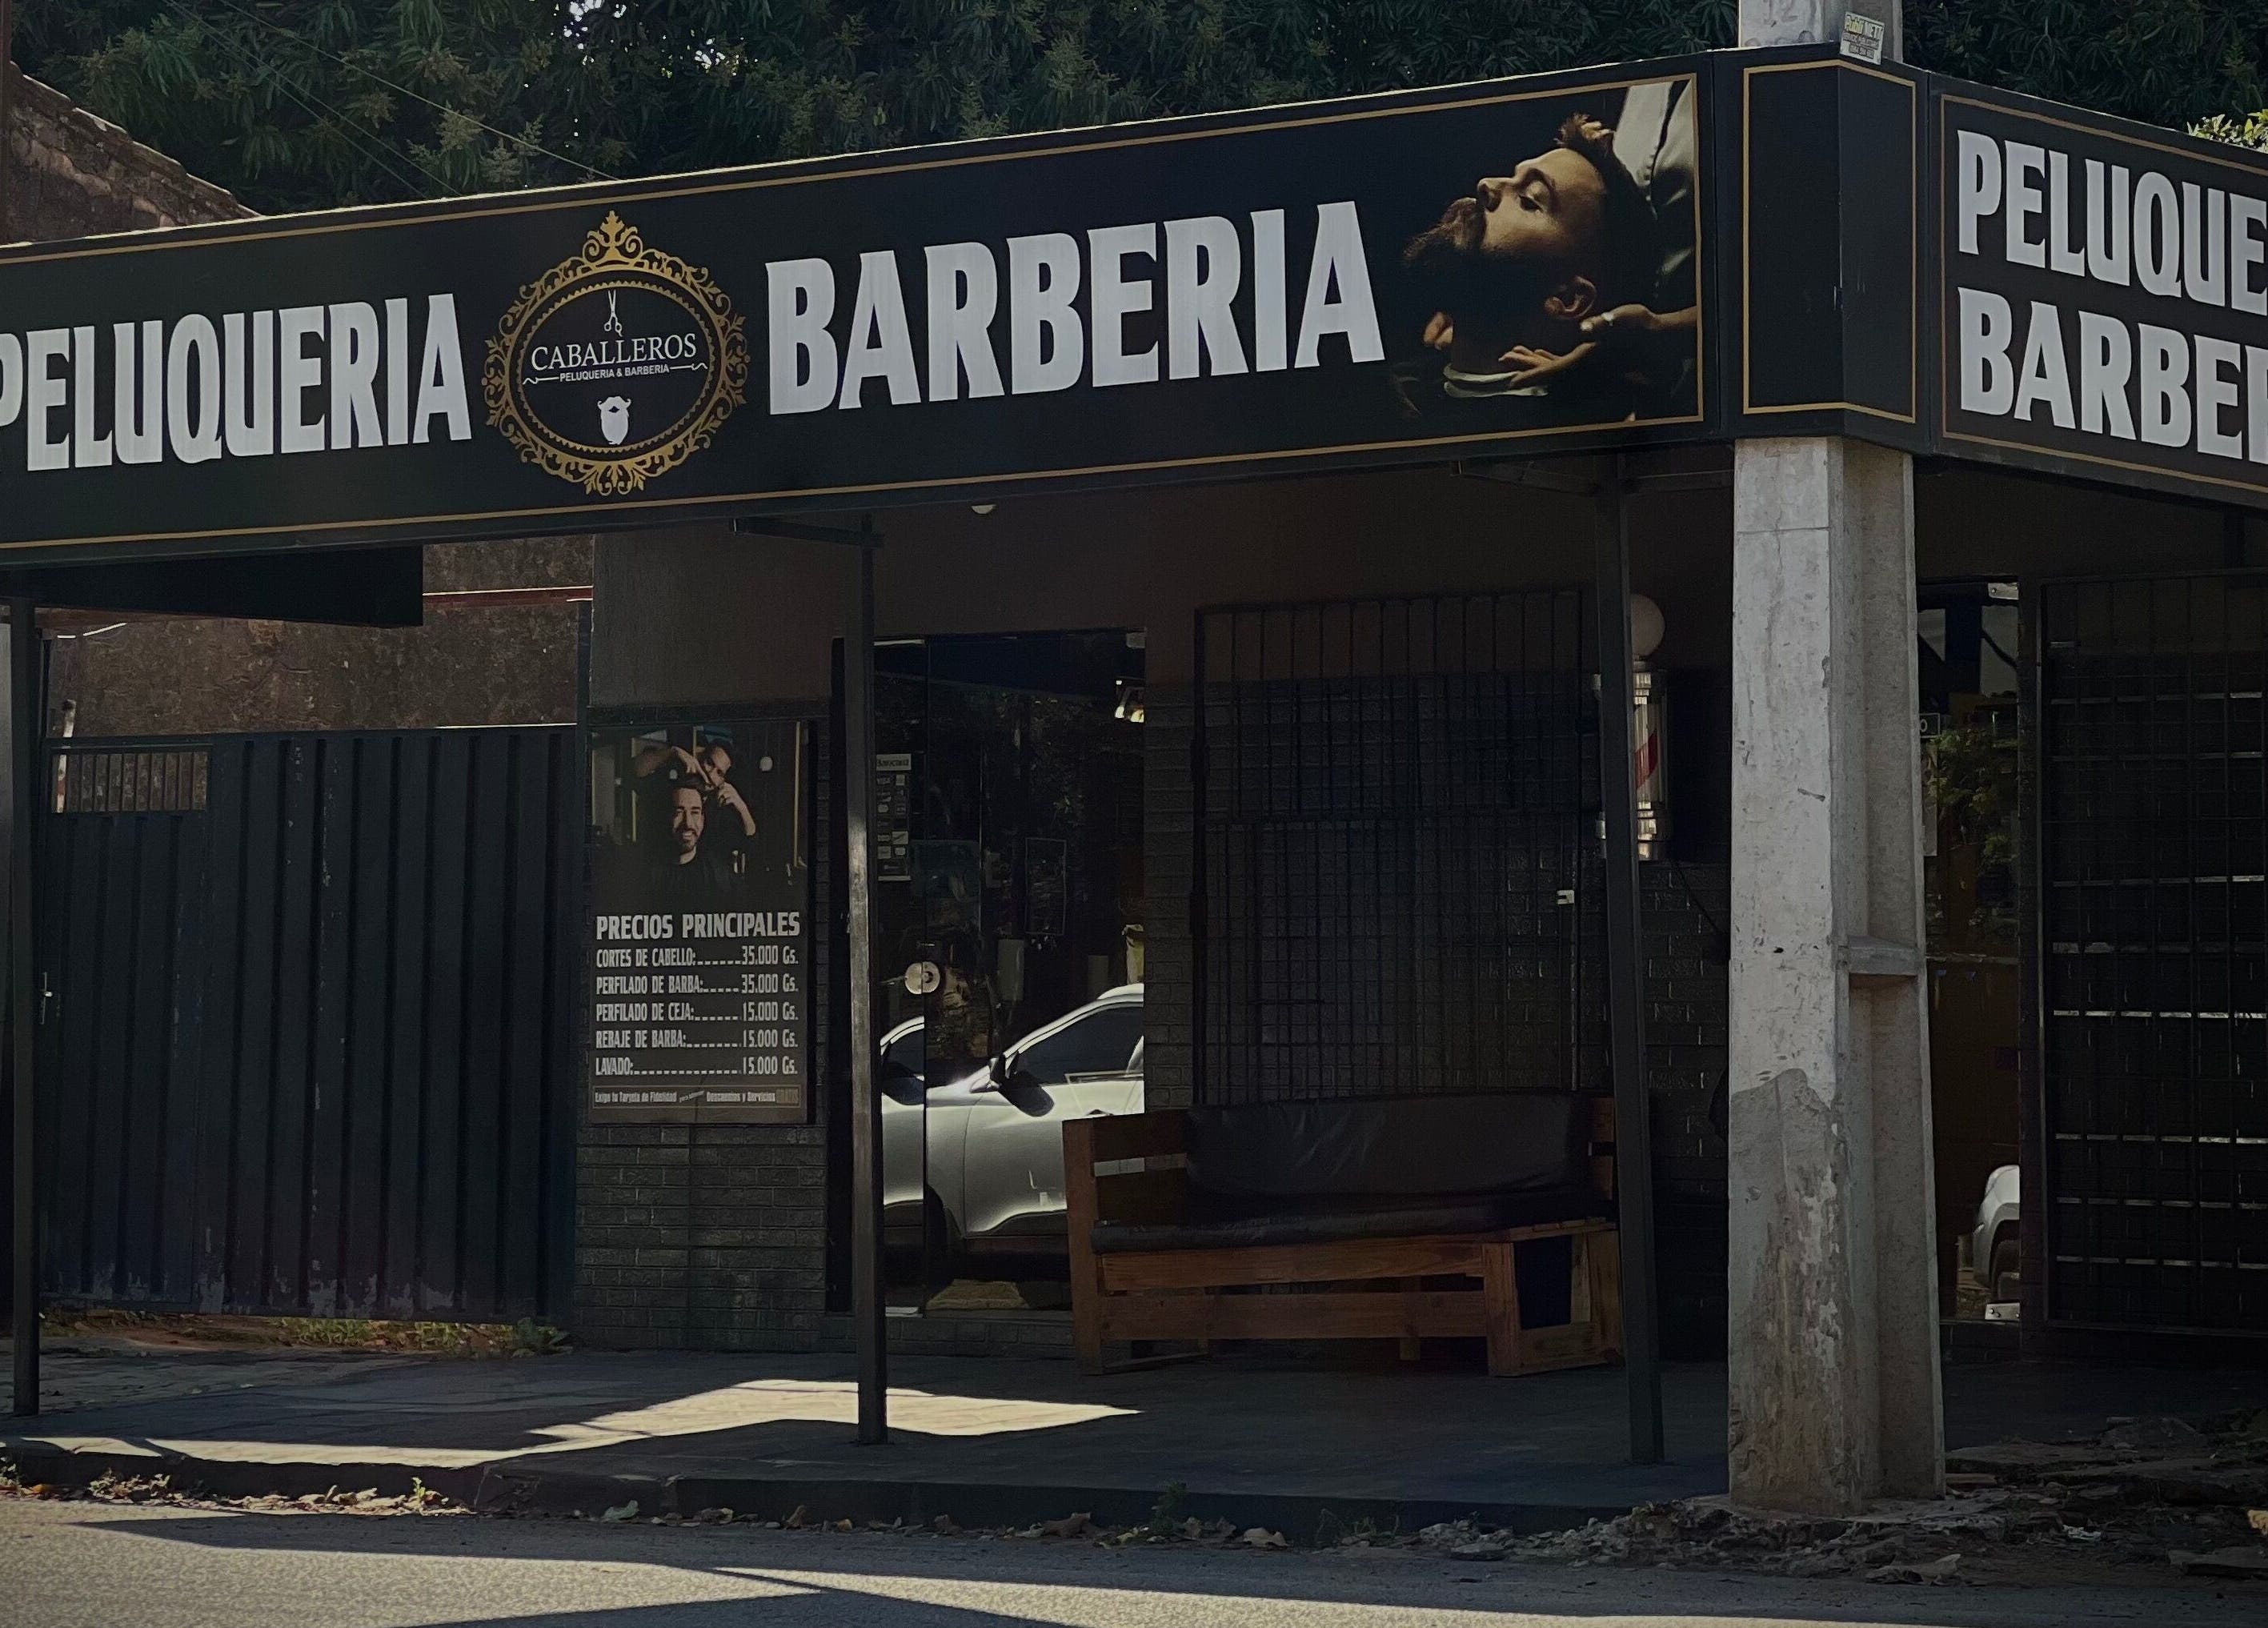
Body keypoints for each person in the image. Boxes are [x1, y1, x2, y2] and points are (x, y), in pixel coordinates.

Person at [1402, 112, 1665, 411]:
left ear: (1567, 298)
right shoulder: (1393, 396)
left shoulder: (1580, 439)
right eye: (1511, 176)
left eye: (1529, 199)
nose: (1486, 184)